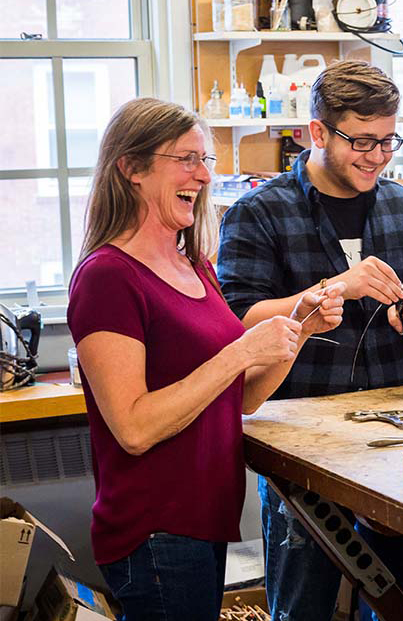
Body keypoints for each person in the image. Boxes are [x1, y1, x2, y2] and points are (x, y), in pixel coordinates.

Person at [67, 97, 344, 620]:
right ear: (130, 168)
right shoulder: (108, 277)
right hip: (155, 527)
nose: (204, 175)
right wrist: (241, 350)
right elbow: (133, 427)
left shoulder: (193, 265)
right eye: (186, 159)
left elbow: (241, 397)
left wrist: (300, 329)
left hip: (203, 517)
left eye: (207, 160)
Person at [216, 61, 403, 620]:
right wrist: (331, 288)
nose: (378, 156)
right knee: (304, 603)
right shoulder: (258, 212)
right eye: (362, 141)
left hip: (402, 435)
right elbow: (237, 321)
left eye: (388, 141)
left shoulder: (402, 205)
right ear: (317, 132)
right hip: (302, 443)